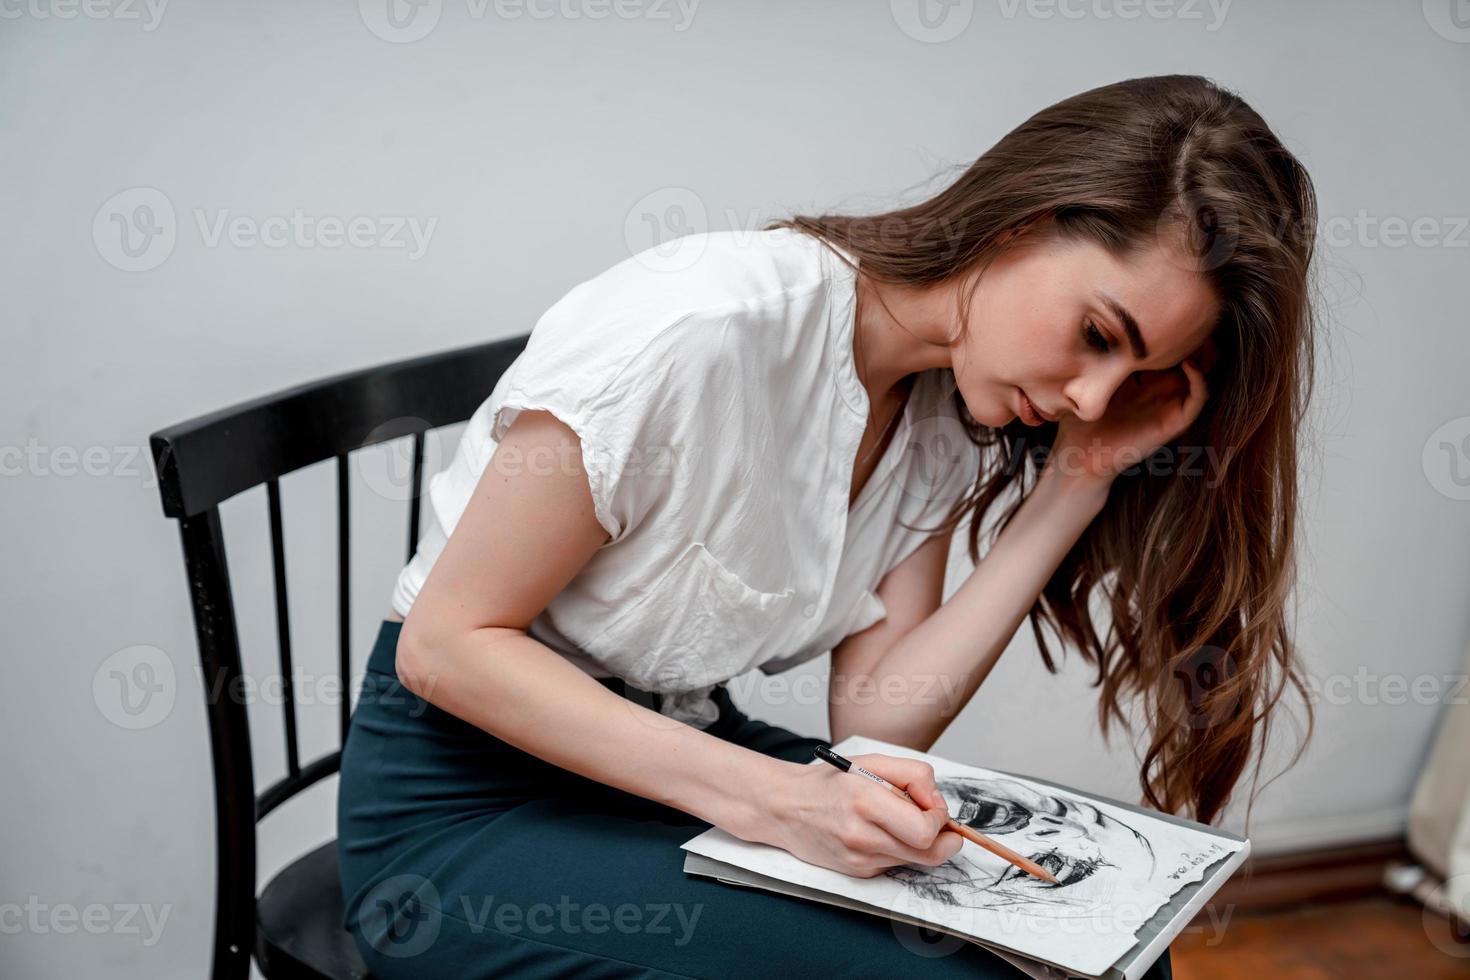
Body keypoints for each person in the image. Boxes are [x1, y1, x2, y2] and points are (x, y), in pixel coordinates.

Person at [336, 73, 1319, 978]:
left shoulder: (942, 406)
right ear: (1024, 221)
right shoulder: (699, 328)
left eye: (1130, 374)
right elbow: (446, 646)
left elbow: (878, 719)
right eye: (1098, 336)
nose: (1093, 396)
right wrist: (776, 800)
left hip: (665, 767)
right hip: (461, 810)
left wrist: (1079, 481)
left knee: (1109, 953)